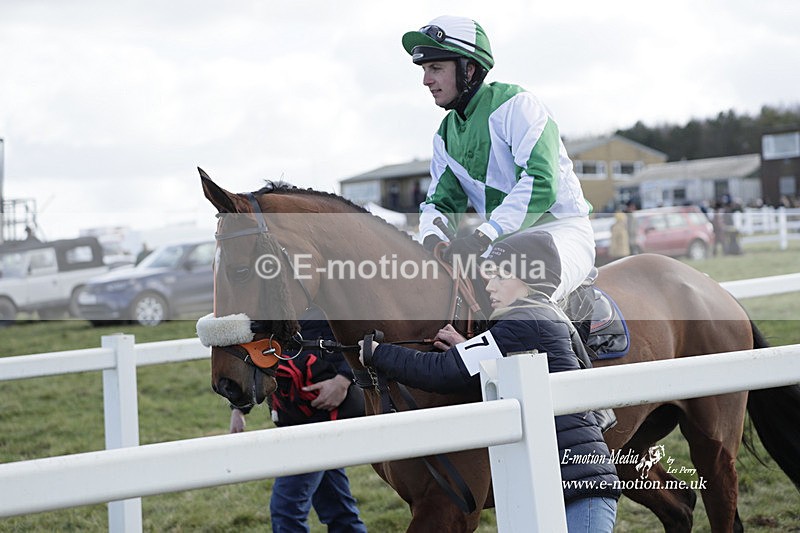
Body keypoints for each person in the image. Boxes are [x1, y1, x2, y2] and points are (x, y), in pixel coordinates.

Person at [359, 233, 620, 531]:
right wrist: (467, 347)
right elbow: (496, 366)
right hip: (567, 481)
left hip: (577, 486)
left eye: (501, 276)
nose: (489, 284)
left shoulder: (523, 322)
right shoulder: (541, 316)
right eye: (490, 275)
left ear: (529, 280)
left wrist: (379, 354)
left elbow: (441, 372)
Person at [406, 15, 595, 308]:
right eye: (424, 69)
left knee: (520, 300)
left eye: (435, 68)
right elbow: (439, 205)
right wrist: (431, 239)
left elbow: (541, 182)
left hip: (558, 232)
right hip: (500, 246)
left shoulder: (518, 106)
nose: (426, 80)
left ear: (468, 69)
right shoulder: (444, 136)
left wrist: (484, 236)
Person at [253, 308, 367, 533]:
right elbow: (256, 352)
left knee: (286, 510)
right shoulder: (267, 299)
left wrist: (343, 380)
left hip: (323, 416)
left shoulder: (327, 291)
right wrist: (240, 408)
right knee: (338, 510)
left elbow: (360, 334)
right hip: (292, 415)